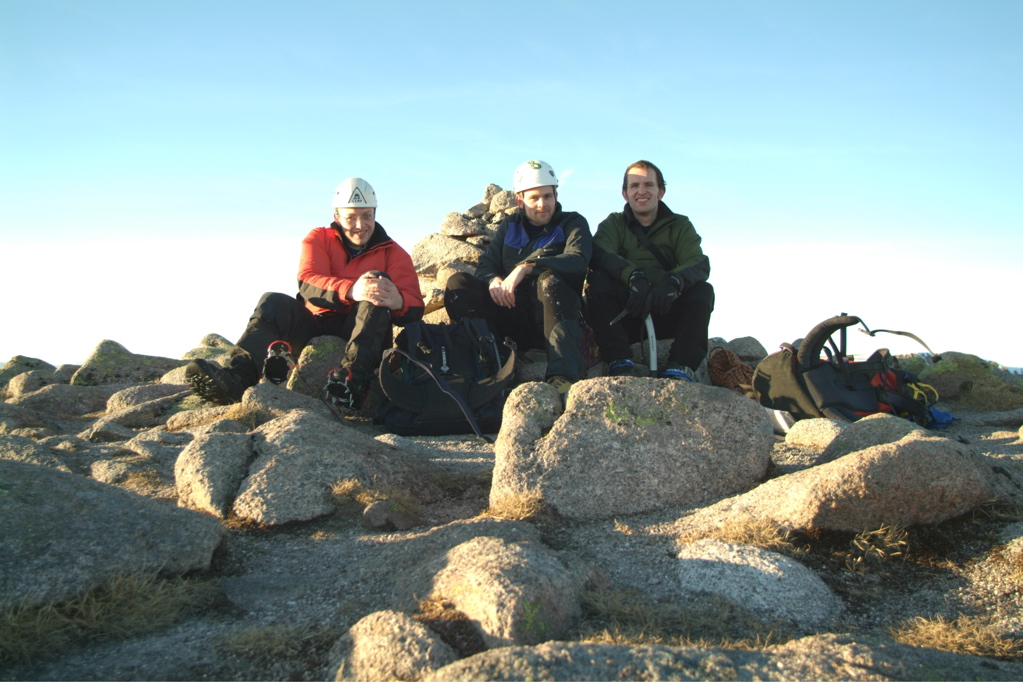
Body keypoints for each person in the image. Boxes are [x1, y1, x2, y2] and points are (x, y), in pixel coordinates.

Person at [185, 177, 424, 411]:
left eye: (366, 216)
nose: (360, 225)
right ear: (337, 217)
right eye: (351, 217)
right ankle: (239, 375)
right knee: (273, 301)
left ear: (375, 213)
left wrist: (397, 301)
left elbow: (414, 307)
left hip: (362, 328)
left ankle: (353, 379)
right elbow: (308, 282)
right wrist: (352, 290)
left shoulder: (394, 253)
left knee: (376, 286)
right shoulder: (319, 238)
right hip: (314, 322)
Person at [444, 160, 592, 394]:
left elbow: (578, 259)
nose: (543, 204)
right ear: (520, 201)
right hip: (512, 314)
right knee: (458, 284)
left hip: (552, 315)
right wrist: (494, 281)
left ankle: (562, 376)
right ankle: (489, 362)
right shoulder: (510, 225)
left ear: (555, 195)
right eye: (534, 198)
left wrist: (527, 267)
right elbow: (486, 265)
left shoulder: (572, 223)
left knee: (549, 280)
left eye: (548, 196)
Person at [585, 160, 714, 381]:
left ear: (660, 191)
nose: (641, 191)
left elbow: (697, 262)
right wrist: (633, 277)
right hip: (627, 312)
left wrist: (673, 281)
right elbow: (600, 253)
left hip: (665, 307)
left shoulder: (680, 226)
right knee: (597, 280)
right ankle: (617, 358)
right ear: (625, 194)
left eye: (648, 185)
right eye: (634, 186)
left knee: (703, 290)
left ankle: (682, 365)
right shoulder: (614, 224)